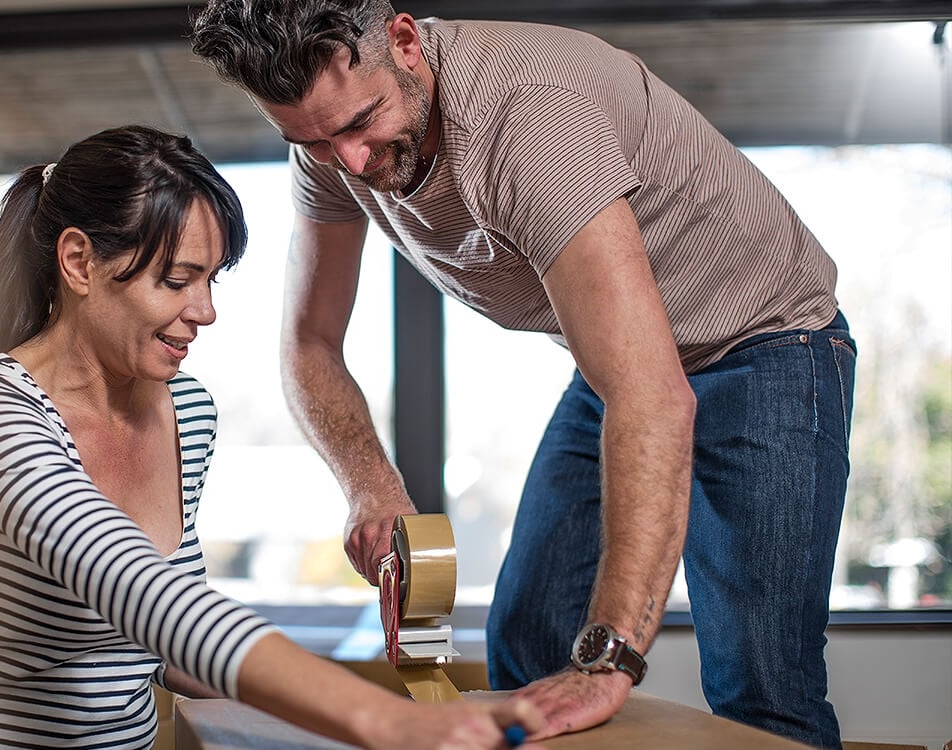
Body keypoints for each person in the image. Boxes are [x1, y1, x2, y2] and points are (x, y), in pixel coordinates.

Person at [190, 4, 858, 749]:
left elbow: (654, 399)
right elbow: (309, 343)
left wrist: (611, 658)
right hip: (622, 365)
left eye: (360, 122)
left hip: (764, 342)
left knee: (759, 681)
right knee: (528, 637)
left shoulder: (529, 119)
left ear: (406, 44)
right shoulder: (328, 145)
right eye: (310, 139)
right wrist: (370, 485)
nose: (350, 162)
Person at [0, 124, 541, 750]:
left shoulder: (186, 410)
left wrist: (358, 702)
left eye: (211, 279)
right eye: (176, 280)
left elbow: (173, 644)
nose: (205, 310)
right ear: (80, 262)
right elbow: (139, 593)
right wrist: (384, 721)